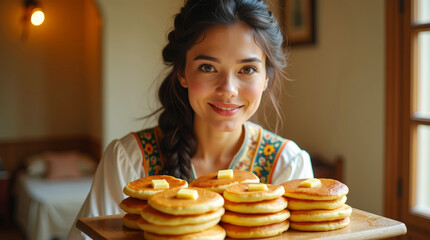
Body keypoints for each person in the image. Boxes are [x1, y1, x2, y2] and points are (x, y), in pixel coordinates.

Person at [68, 0, 313, 239]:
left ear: (266, 79)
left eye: (247, 69)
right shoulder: (128, 161)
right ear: (182, 73)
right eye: (208, 67)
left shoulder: (288, 166)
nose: (228, 89)